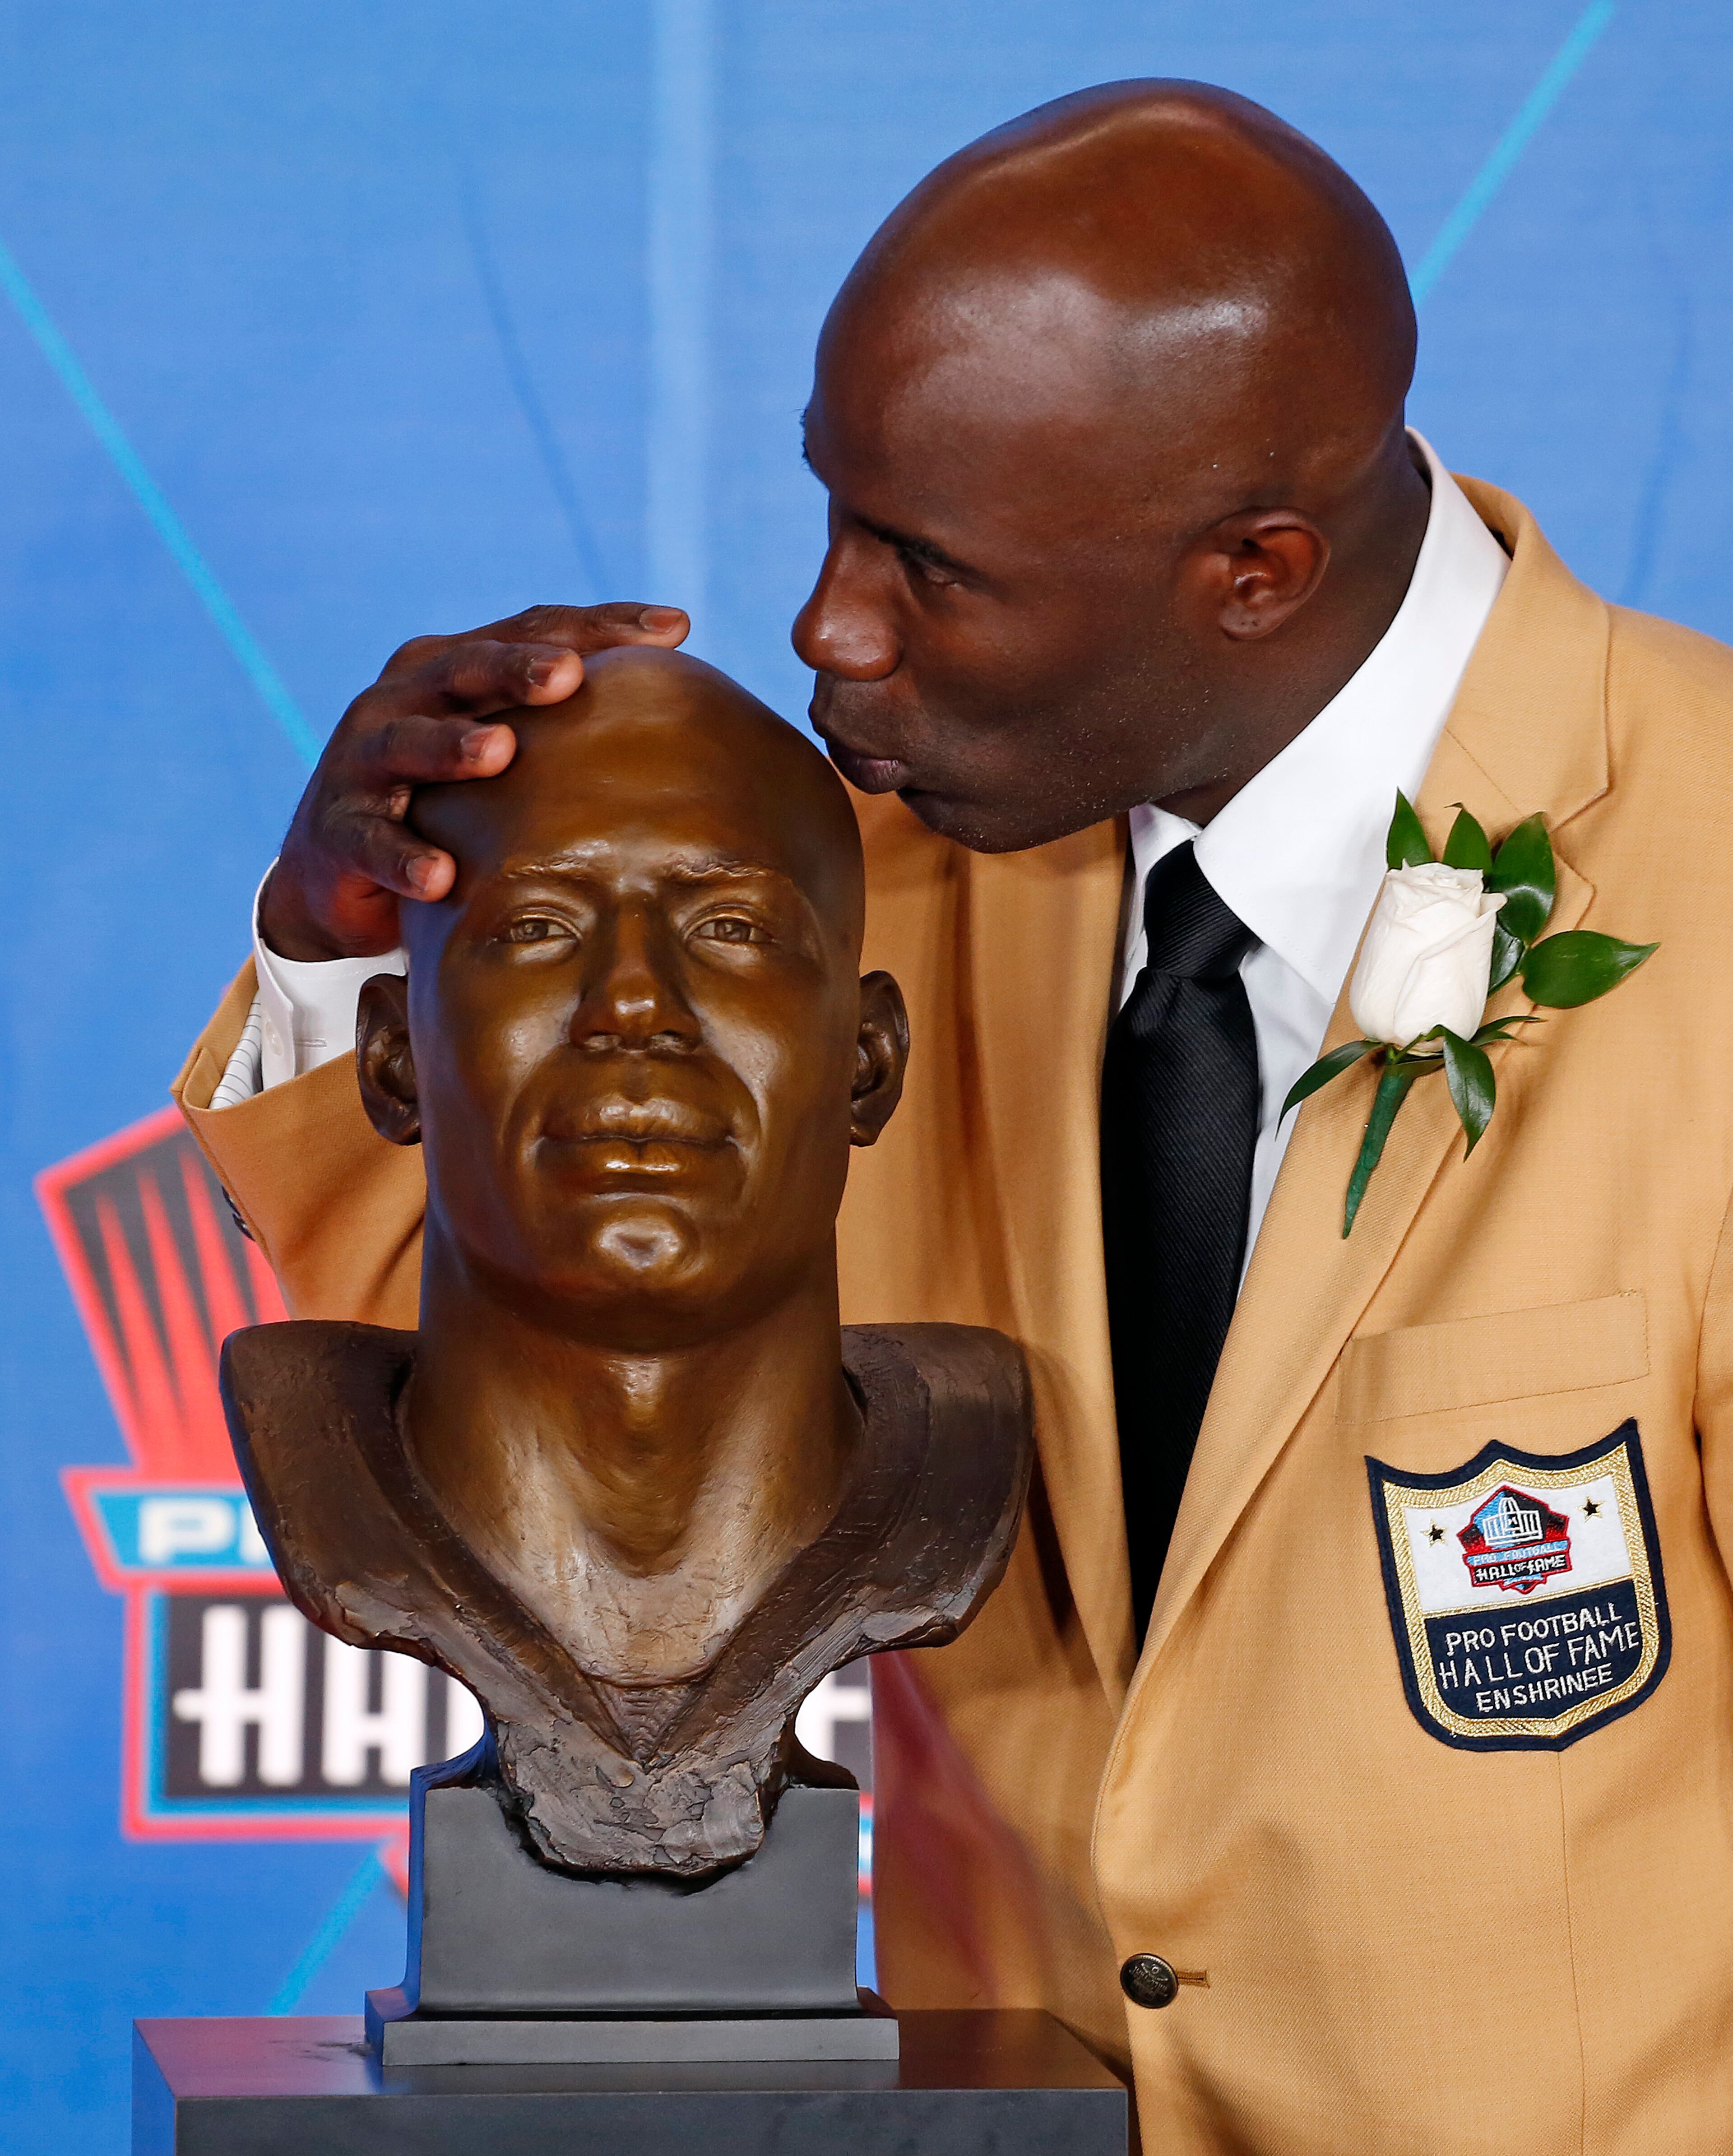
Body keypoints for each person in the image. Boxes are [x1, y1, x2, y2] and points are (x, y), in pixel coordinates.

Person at [175, 79, 1733, 2155]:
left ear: (1255, 569)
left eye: (927, 563)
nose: (829, 622)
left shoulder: (1704, 864)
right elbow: (512, 1336)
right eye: (833, 509)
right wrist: (344, 935)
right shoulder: (867, 890)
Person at [218, 646, 1030, 1879]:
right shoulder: (331, 1450)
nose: (635, 1004)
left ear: (868, 1062)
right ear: (391, 1063)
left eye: (734, 927)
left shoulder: (978, 1445)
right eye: (541, 927)